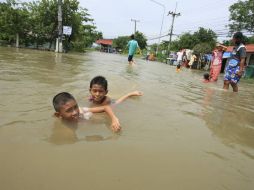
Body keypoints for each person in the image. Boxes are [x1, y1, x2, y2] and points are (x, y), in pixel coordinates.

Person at [53, 92, 121, 132]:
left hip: (91, 116)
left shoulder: (82, 111)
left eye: (75, 107)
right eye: (69, 110)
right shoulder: (58, 118)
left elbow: (106, 107)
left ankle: (128, 95)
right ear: (59, 115)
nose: (75, 112)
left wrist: (114, 119)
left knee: (116, 104)